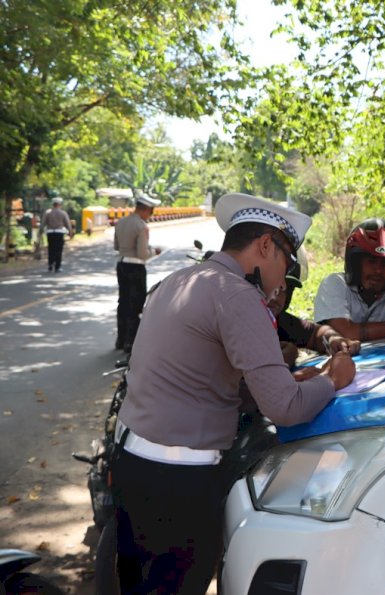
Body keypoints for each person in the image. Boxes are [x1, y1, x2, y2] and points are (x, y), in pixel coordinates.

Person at [110, 192, 356, 594]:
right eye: (288, 262)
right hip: (179, 483)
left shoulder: (182, 279)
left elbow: (203, 377)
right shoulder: (239, 296)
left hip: (132, 465)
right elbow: (285, 408)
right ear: (265, 246)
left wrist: (293, 378)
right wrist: (333, 379)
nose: (283, 279)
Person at [267, 260, 361, 372]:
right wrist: (283, 360)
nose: (275, 296)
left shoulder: (279, 320)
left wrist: (333, 339)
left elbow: (314, 332)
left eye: (283, 288)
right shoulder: (243, 322)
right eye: (268, 284)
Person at [113, 194, 162, 353]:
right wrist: (154, 251)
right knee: (136, 304)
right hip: (136, 268)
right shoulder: (142, 226)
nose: (151, 215)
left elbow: (116, 246)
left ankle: (120, 339)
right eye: (151, 211)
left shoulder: (121, 222)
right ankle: (130, 341)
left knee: (123, 302)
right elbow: (142, 254)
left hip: (121, 264)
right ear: (146, 209)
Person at [40, 197, 73, 272]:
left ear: (53, 204)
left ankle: (50, 265)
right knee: (58, 250)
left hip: (50, 232)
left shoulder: (48, 212)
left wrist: (40, 231)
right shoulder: (63, 213)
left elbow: (43, 223)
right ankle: (57, 266)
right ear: (60, 204)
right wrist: (70, 233)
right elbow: (68, 224)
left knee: (51, 249)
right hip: (59, 232)